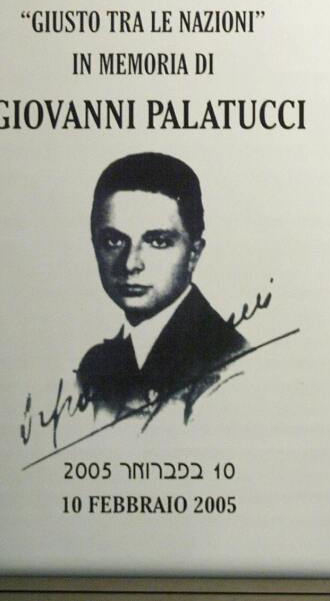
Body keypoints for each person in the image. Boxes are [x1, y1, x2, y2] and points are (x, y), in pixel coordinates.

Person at [77, 152, 246, 414]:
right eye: (113, 241)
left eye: (157, 241)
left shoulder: (230, 366)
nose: (131, 264)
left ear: (194, 253)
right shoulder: (96, 366)